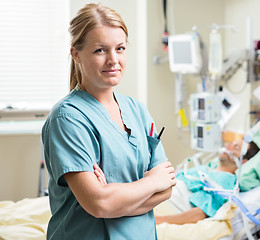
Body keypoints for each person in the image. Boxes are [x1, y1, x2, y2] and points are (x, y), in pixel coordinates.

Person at [42, 3, 176, 240]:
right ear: (75, 53)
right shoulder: (68, 119)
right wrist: (152, 181)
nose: (113, 60)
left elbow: (167, 189)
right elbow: (100, 203)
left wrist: (115, 197)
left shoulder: (137, 110)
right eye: (100, 50)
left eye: (120, 48)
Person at [153, 139, 260, 225]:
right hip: (156, 195)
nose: (228, 146)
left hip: (166, 206)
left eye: (235, 147)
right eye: (232, 143)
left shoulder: (226, 180)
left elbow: (200, 213)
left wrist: (160, 221)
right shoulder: (206, 169)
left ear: (243, 161)